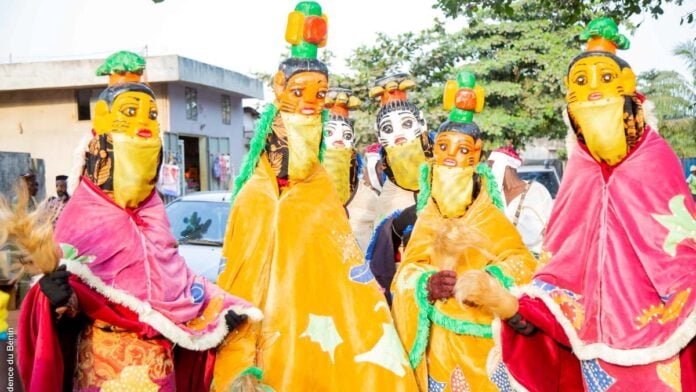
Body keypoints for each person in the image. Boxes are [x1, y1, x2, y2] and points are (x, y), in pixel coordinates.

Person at [457, 18, 696, 391]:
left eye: (604, 80)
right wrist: (510, 305)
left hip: (662, 347)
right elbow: (559, 273)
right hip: (590, 352)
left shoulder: (655, 160)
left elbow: (682, 259)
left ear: (628, 90)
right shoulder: (579, 174)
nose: (593, 92)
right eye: (581, 83)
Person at [17, 51, 259, 392]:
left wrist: (225, 309)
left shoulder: (154, 216)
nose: (143, 124)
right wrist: (56, 299)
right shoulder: (81, 220)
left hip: (160, 367)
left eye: (151, 115)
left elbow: (178, 283)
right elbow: (68, 307)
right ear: (101, 146)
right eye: (129, 114)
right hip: (103, 368)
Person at [213, 3, 417, 390]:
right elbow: (238, 274)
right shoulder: (255, 195)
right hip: (264, 340)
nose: (310, 102)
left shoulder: (320, 191)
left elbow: (346, 275)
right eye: (299, 92)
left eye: (320, 94)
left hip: (321, 341)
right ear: (278, 91)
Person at [390, 71, 537, 391]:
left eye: (462, 151)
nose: (453, 159)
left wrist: (492, 280)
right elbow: (405, 276)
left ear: (477, 156)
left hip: (485, 352)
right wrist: (427, 284)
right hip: (439, 352)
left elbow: (523, 263)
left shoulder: (490, 216)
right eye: (444, 148)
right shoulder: (427, 219)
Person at [366, 73, 432, 299]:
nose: (400, 135)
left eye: (406, 124)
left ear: (421, 123)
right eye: (388, 129)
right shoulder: (389, 195)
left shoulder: (445, 171)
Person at [322, 87, 378, 251]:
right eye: (330, 133)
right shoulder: (301, 193)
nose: (339, 140)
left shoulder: (368, 197)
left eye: (346, 136)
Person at [488, 146, 553, 256]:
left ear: (507, 167)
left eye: (492, 166)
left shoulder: (536, 191)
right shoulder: (493, 194)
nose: (489, 171)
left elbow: (549, 230)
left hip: (533, 258)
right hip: (501, 259)